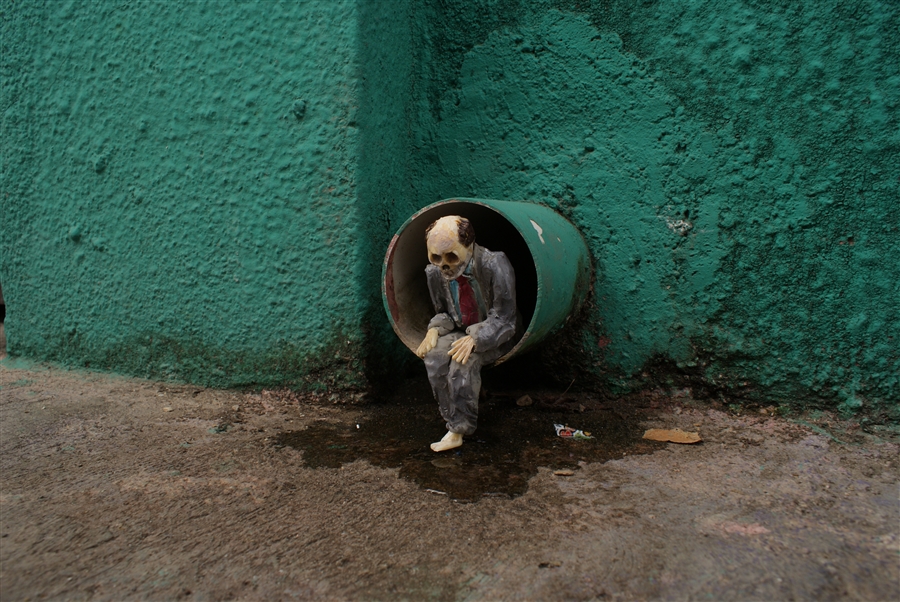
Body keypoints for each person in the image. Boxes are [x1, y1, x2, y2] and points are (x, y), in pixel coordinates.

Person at [415, 215, 520, 451]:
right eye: (436, 257)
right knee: (435, 357)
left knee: (463, 361)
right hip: (461, 330)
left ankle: (459, 429)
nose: (443, 265)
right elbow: (445, 313)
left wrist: (476, 338)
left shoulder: (495, 264)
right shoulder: (434, 273)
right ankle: (450, 418)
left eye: (451, 256)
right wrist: (434, 329)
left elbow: (506, 318)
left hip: (496, 332)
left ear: (469, 246)